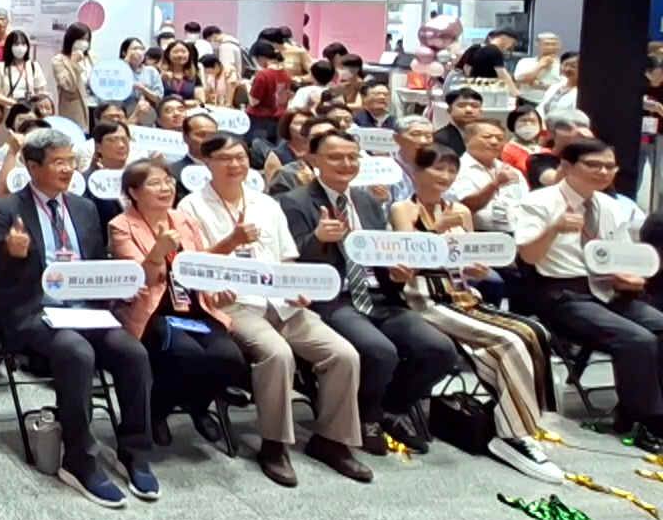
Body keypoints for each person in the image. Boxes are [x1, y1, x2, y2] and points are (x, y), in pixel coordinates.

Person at [0, 129, 157, 507]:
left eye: (71, 162)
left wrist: (121, 287)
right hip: (34, 312)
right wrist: (8, 251)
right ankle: (79, 458)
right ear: (32, 167)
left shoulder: (84, 207)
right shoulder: (8, 209)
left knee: (133, 353)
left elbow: (96, 263)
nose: (67, 170)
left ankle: (134, 451)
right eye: (58, 162)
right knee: (76, 352)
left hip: (86, 310)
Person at [180, 133, 369, 486]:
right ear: (207, 162)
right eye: (225, 158)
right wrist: (231, 243)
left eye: (240, 157)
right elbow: (191, 264)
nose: (235, 164)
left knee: (344, 354)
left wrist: (297, 288)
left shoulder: (266, 203)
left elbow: (287, 258)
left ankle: (332, 440)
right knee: (277, 354)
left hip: (282, 301)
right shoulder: (191, 206)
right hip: (234, 302)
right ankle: (274, 444)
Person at [282, 130, 457, 455]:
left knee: (440, 350)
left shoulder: (368, 201)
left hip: (380, 295)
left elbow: (384, 252)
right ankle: (366, 417)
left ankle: (390, 408)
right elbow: (289, 261)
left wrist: (396, 272)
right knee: (380, 351)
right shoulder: (295, 202)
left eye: (352, 157)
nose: (346, 163)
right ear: (314, 159)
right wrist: (317, 239)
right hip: (333, 297)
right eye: (335, 157)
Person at [391, 145, 560, 482]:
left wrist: (477, 269)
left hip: (464, 295)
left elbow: (467, 262)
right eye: (437, 169)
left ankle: (516, 420)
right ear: (417, 171)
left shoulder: (461, 211)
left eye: (451, 170)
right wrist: (437, 230)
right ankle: (513, 434)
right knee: (509, 342)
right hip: (426, 297)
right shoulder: (403, 209)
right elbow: (409, 257)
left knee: (535, 332)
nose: (445, 177)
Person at [512, 139, 663, 447]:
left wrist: (630, 278)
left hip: (608, 290)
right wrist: (554, 228)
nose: (603, 172)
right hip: (562, 294)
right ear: (567, 166)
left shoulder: (611, 206)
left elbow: (622, 255)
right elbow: (528, 256)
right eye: (594, 165)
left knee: (659, 326)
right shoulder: (538, 202)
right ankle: (648, 422)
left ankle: (632, 410)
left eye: (610, 166)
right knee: (637, 339)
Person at [108, 159, 247, 452]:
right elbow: (137, 280)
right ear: (133, 192)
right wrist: (157, 252)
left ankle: (198, 406)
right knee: (186, 355)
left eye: (168, 181)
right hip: (153, 309)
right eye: (155, 183)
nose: (165, 188)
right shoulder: (121, 226)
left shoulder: (184, 220)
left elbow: (200, 264)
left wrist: (217, 289)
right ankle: (157, 411)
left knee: (230, 358)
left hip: (194, 307)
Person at [449, 119, 528, 232]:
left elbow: (526, 204)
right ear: (467, 140)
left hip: (518, 233)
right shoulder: (455, 169)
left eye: (500, 138)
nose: (494, 142)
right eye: (487, 137)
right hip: (477, 235)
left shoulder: (511, 171)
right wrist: (496, 183)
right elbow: (467, 206)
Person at [0, 30, 49, 117]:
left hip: (30, 112)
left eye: (23, 44)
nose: (20, 48)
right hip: (8, 112)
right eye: (16, 44)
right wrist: (14, 103)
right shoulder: (0, 67)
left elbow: (40, 91)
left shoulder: (33, 66)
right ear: (9, 46)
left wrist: (36, 100)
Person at [530, 108, 593, 187]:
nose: (577, 132)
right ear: (551, 132)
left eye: (582, 126)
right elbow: (553, 181)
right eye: (567, 128)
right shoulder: (539, 159)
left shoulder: (594, 157)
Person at [245, 41, 291, 143]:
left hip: (259, 122)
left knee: (257, 147)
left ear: (261, 58)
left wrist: (247, 88)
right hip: (278, 121)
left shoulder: (263, 75)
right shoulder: (286, 74)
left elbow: (254, 101)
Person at [49, 23, 93, 125]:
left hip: (94, 107)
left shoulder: (91, 58)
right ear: (71, 39)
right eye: (81, 39)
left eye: (87, 39)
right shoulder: (58, 60)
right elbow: (69, 86)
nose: (84, 43)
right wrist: (73, 63)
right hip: (75, 111)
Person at [457, 28, 518, 96]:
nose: (510, 47)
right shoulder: (493, 49)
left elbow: (467, 69)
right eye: (513, 44)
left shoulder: (479, 48)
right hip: (486, 89)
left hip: (476, 88)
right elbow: (503, 74)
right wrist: (515, 92)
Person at [435, 88, 486, 157]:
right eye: (461, 106)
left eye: (474, 106)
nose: (469, 110)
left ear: (481, 112)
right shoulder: (440, 139)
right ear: (449, 110)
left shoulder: (487, 137)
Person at [537, 52, 580, 117]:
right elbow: (541, 106)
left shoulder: (581, 93)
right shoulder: (556, 86)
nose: (567, 69)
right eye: (565, 65)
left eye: (573, 66)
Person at [502, 106, 543, 174]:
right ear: (513, 124)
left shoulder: (545, 151)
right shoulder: (506, 151)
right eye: (523, 120)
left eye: (533, 121)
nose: (528, 124)